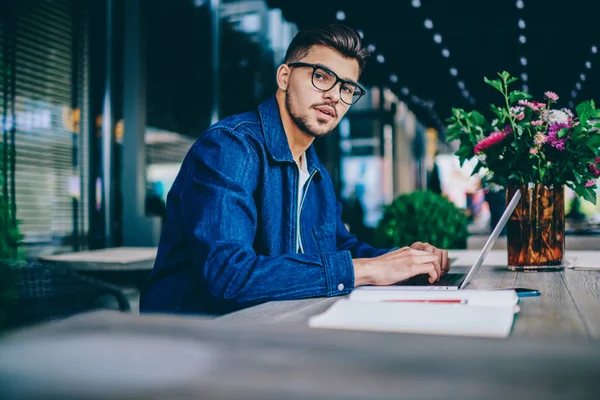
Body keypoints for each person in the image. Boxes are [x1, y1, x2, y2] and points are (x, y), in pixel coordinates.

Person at [140, 24, 450, 316]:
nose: (334, 96)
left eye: (346, 88)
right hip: (197, 336)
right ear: (285, 76)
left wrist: (406, 259)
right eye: (321, 76)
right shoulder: (230, 148)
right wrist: (367, 269)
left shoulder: (315, 172)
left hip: (276, 326)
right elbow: (229, 275)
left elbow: (340, 245)